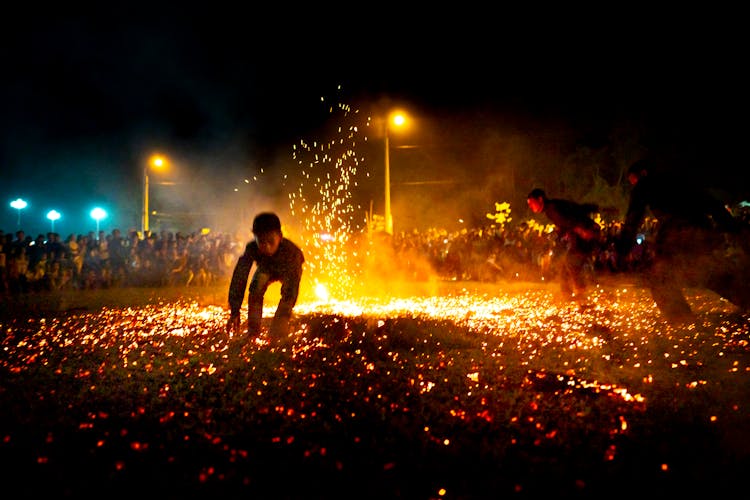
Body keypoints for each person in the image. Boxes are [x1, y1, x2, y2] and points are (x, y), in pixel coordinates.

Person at [617, 159, 749, 321]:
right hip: (703, 233)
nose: (634, 185)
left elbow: (633, 217)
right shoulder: (680, 180)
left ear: (643, 173)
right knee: (708, 274)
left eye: (633, 181)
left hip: (679, 235)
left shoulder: (645, 184)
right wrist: (733, 229)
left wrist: (622, 248)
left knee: (659, 276)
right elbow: (713, 204)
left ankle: (681, 320)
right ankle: (746, 298)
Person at [226, 212, 305, 342]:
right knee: (255, 289)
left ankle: (278, 333)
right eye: (261, 242)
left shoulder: (293, 253)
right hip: (266, 268)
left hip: (288, 270)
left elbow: (291, 291)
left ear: (280, 237)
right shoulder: (251, 248)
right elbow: (239, 277)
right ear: (255, 237)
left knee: (287, 297)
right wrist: (235, 310)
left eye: (271, 241)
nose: (267, 247)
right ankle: (253, 331)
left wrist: (281, 320)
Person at [527, 188, 602, 303]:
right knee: (564, 266)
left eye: (532, 203)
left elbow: (571, 220)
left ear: (540, 199)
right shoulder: (553, 207)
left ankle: (581, 295)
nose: (531, 207)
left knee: (571, 261)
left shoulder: (552, 208)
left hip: (586, 234)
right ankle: (567, 296)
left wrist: (583, 230)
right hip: (582, 234)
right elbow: (574, 212)